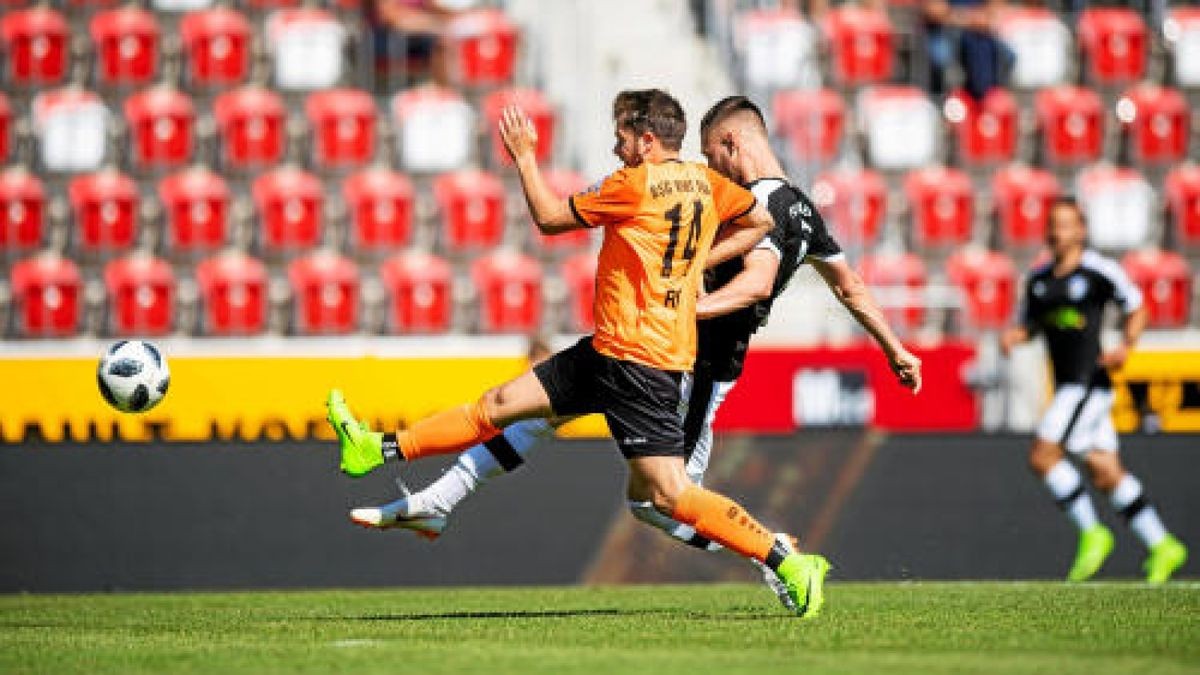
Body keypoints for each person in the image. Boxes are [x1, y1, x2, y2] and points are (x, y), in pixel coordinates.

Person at [344, 96, 923, 610]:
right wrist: (894, 347)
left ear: (730, 143)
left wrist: (685, 302)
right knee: (518, 409)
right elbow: (848, 285)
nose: (709, 161)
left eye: (712, 151)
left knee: (661, 501)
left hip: (684, 363)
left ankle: (777, 553)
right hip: (630, 348)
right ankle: (416, 481)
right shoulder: (797, 208)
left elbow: (754, 280)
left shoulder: (735, 193)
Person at [1000, 197, 1188, 584]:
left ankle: (1092, 532)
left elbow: (1137, 307)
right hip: (1068, 385)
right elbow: (1031, 326)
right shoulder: (1038, 282)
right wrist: (1014, 337)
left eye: (1066, 224)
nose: (1058, 232)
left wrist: (1127, 345)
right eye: (1053, 224)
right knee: (1105, 472)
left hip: (1088, 383)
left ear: (1081, 230)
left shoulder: (1098, 271)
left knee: (1043, 455)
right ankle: (1164, 544)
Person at [922, 0, 1012, 101]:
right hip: (946, 31)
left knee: (1007, 55)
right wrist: (970, 19)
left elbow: (995, 10)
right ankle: (941, 101)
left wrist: (982, 19)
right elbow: (934, 11)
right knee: (941, 57)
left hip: (980, 34)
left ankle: (987, 100)